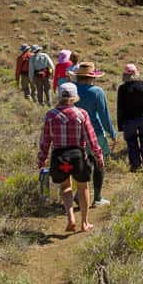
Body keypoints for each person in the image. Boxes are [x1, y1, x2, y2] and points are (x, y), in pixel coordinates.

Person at [37, 82, 104, 233]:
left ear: (59, 96)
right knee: (83, 187)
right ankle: (84, 222)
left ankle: (70, 218)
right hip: (78, 156)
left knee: (65, 187)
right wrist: (98, 155)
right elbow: (91, 138)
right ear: (74, 97)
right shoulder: (81, 114)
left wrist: (42, 157)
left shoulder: (50, 115)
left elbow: (45, 139)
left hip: (59, 157)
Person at [74, 62, 115, 206]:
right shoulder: (97, 91)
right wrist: (112, 133)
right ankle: (97, 198)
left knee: (84, 164)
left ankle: (79, 195)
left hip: (75, 134)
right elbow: (104, 115)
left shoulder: (72, 89)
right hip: (95, 133)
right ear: (92, 77)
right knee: (98, 163)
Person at [117, 64, 143, 172]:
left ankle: (135, 164)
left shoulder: (122, 88)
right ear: (136, 73)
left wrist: (120, 125)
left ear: (125, 75)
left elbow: (120, 108)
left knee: (131, 141)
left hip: (129, 120)